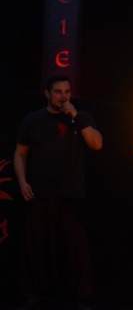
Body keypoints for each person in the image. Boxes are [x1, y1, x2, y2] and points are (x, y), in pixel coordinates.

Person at [13, 75, 103, 310]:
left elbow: (96, 144)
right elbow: (20, 153)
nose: (63, 96)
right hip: (40, 193)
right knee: (36, 246)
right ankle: (33, 296)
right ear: (47, 93)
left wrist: (76, 116)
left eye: (67, 91)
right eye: (57, 92)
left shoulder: (81, 117)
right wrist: (22, 182)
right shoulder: (32, 120)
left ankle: (81, 297)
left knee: (76, 249)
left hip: (72, 194)